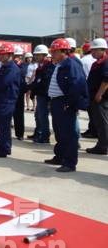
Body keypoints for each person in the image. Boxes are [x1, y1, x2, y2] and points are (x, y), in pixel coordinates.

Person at [44, 38, 88, 172]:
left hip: (64, 102)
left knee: (68, 134)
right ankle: (60, 156)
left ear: (63, 51)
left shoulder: (71, 65)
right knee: (59, 132)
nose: (52, 54)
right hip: (57, 102)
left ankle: (69, 163)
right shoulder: (60, 64)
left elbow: (76, 86)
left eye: (54, 52)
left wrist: (69, 103)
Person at [0, 44, 21, 158]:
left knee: (4, 126)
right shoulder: (4, 66)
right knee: (1, 125)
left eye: (3, 54)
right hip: (1, 99)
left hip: (7, 100)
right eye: (0, 54)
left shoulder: (12, 68)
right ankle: (2, 147)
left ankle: (3, 149)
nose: (0, 56)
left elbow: (4, 82)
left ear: (10, 54)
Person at [84, 38, 108, 155]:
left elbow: (106, 79)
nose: (92, 52)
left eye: (94, 50)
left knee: (102, 123)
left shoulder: (105, 62)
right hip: (95, 97)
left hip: (101, 99)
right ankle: (102, 144)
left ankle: (103, 146)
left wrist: (99, 94)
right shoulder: (97, 63)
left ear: (102, 50)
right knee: (99, 122)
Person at [27, 45, 54, 144]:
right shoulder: (40, 67)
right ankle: (38, 132)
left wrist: (35, 88)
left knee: (43, 116)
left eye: (38, 55)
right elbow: (37, 81)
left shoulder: (49, 67)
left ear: (44, 55)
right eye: (35, 55)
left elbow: (44, 82)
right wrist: (32, 90)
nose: (36, 57)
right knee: (38, 115)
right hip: (40, 94)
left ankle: (45, 136)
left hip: (45, 95)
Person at [80, 42, 98, 139]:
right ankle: (94, 130)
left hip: (88, 87)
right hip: (97, 87)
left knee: (91, 112)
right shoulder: (96, 59)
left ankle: (93, 131)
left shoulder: (83, 60)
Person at [12, 46, 26, 140]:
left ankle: (20, 134)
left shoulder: (22, 66)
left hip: (19, 92)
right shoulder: (11, 65)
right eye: (16, 55)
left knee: (19, 114)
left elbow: (22, 78)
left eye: (19, 55)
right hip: (11, 92)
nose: (17, 57)